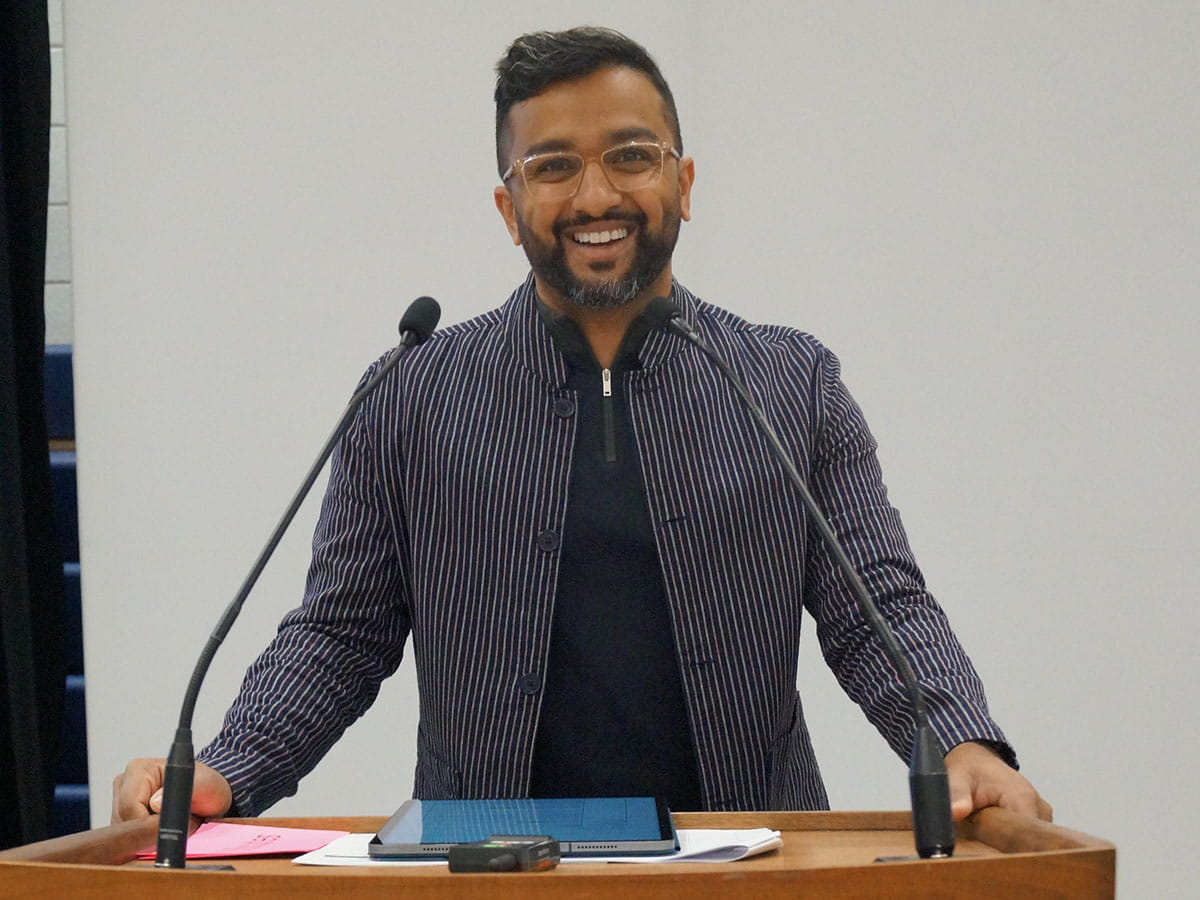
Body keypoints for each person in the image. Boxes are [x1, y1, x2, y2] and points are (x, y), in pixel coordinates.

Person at [113, 26, 1050, 825]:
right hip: (486, 868)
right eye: (553, 166)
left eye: (631, 156)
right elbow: (341, 632)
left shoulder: (788, 380)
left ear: (684, 182)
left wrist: (963, 741)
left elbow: (874, 601)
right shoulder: (410, 392)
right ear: (507, 206)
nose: (596, 195)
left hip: (752, 867)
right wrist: (228, 773)